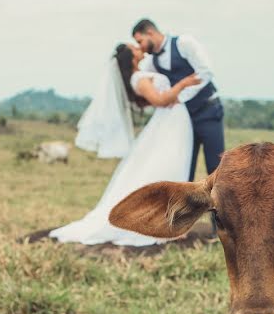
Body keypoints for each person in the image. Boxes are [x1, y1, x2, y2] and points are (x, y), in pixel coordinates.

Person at [49, 43, 201, 246]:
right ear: (131, 57)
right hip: (169, 122)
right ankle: (160, 222)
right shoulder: (138, 79)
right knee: (166, 167)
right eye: (135, 48)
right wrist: (183, 84)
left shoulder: (144, 74)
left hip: (173, 121)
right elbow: (160, 100)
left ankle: (170, 223)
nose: (140, 48)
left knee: (171, 166)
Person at [132, 19, 224, 181]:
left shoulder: (184, 43)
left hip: (208, 112)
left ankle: (221, 206)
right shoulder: (153, 62)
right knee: (185, 170)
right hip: (184, 121)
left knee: (215, 169)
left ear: (151, 33)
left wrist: (180, 97)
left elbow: (205, 72)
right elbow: (142, 80)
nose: (141, 47)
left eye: (140, 41)